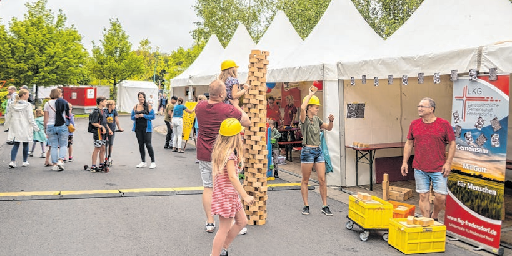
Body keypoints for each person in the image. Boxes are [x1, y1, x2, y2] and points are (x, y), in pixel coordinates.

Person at [195, 79, 250, 233]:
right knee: (228, 188)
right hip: (222, 154)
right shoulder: (227, 109)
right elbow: (246, 122)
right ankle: (232, 223)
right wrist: (236, 104)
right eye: (225, 91)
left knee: (208, 187)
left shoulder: (200, 106)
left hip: (204, 153)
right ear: (221, 94)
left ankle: (210, 222)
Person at [401, 97, 455, 221]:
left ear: (431, 109)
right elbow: (409, 143)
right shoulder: (414, 124)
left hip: (439, 168)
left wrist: (448, 163)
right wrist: (404, 162)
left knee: (441, 196)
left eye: (422, 106)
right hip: (419, 167)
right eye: (418, 106)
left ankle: (434, 216)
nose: (419, 109)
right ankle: (426, 221)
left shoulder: (443, 124)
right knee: (423, 195)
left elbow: (452, 144)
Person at [210, 118, 254, 256]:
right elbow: (232, 177)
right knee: (223, 228)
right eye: (239, 135)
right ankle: (215, 253)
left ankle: (224, 247)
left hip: (228, 194)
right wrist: (245, 196)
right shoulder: (229, 155)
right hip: (227, 195)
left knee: (242, 221)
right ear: (234, 137)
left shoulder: (221, 151)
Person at [299, 88, 334, 216]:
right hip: (307, 150)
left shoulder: (317, 120)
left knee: (322, 179)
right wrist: (309, 95)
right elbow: (302, 108)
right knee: (305, 180)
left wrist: (331, 121)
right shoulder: (304, 119)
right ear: (309, 108)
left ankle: (325, 205)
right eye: (315, 107)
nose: (317, 109)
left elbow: (329, 128)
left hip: (318, 150)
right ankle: (306, 205)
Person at [5, 89, 39, 168]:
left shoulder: (12, 104)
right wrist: (36, 128)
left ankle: (12, 161)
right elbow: (30, 119)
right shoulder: (28, 105)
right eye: (27, 94)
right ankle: (24, 161)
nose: (28, 96)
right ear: (23, 95)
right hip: (25, 127)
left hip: (15, 127)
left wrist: (6, 127)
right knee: (25, 144)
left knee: (16, 144)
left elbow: (9, 117)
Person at [43, 88, 69, 171]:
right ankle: (61, 160)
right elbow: (67, 114)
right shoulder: (64, 102)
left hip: (50, 125)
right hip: (62, 125)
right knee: (63, 144)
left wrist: (45, 128)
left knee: (54, 145)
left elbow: (45, 118)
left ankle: (54, 164)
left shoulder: (47, 104)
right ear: (59, 94)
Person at [131, 92, 156, 169]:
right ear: (138, 98)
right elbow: (132, 117)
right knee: (140, 144)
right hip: (138, 127)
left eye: (142, 97)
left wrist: (144, 115)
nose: (141, 98)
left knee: (148, 144)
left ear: (144, 98)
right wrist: (136, 116)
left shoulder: (148, 106)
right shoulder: (135, 106)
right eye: (140, 97)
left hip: (147, 127)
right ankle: (143, 161)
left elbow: (153, 116)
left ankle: (153, 162)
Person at [89, 97, 112, 172]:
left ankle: (101, 163)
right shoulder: (96, 111)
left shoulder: (104, 111)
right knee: (97, 148)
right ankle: (93, 165)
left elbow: (105, 123)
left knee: (103, 148)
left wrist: (109, 129)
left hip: (104, 133)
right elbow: (93, 122)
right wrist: (101, 127)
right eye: (105, 101)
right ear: (100, 102)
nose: (106, 103)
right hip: (98, 133)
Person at [106, 100, 123, 164]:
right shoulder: (105, 112)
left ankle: (109, 156)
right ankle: (104, 157)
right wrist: (108, 129)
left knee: (111, 143)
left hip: (112, 129)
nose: (114, 106)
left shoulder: (114, 112)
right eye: (113, 105)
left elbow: (116, 120)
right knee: (105, 144)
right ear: (110, 105)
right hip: (105, 130)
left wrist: (119, 127)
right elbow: (104, 121)